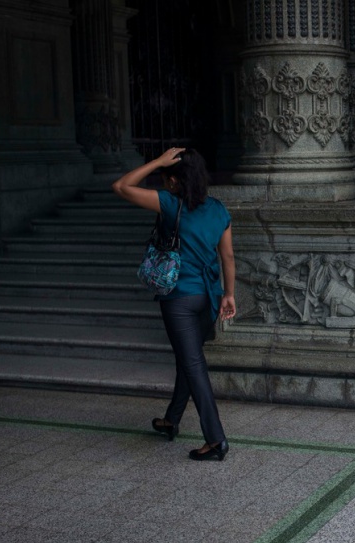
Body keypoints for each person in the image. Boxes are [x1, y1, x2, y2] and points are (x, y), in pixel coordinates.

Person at [112, 147, 236, 460]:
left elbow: (121, 186)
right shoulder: (219, 209)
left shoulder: (169, 203)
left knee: (193, 364)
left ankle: (216, 439)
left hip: (179, 298)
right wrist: (229, 294)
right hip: (208, 296)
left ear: (172, 181)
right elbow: (228, 256)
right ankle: (171, 420)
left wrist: (156, 162)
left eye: (167, 177)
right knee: (188, 358)